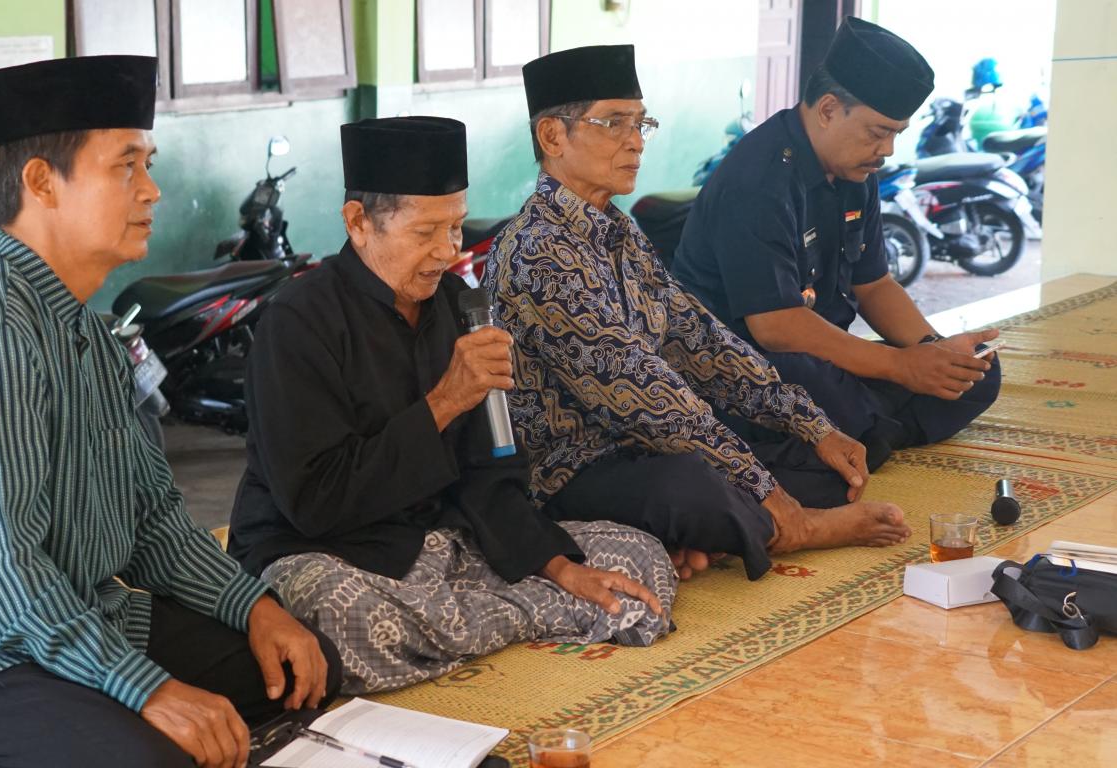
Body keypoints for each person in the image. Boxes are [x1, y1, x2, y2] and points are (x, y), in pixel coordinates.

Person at [0, 56, 338, 768]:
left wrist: (254, 607)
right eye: (126, 166)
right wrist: (147, 690)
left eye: (148, 165)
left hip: (75, 616)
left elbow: (153, 520)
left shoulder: (89, 335)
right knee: (151, 756)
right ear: (42, 182)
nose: (152, 190)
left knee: (300, 674)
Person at [228, 116, 676, 694]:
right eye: (425, 233)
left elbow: (490, 473)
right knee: (340, 615)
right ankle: (513, 619)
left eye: (457, 227)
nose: (447, 252)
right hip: (331, 553)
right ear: (358, 222)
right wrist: (443, 402)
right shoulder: (297, 322)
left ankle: (468, 628)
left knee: (638, 558)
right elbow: (316, 503)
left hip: (439, 543)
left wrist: (560, 567)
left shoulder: (458, 305)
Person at [484, 45, 910, 584]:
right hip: (572, 470)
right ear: (552, 137)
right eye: (614, 123)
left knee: (817, 460)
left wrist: (812, 425)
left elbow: (701, 340)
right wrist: (764, 489)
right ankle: (794, 528)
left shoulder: (619, 230)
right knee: (691, 487)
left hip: (644, 450)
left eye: (641, 123)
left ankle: (717, 533)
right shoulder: (537, 253)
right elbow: (643, 394)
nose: (636, 141)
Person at [671, 18, 1001, 458]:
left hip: (826, 356)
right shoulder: (758, 180)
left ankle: (869, 431)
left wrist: (935, 351)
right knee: (817, 386)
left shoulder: (856, 171)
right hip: (743, 366)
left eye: (896, 134)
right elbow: (776, 326)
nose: (887, 150)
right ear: (828, 110)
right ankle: (864, 428)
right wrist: (900, 366)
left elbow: (874, 284)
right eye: (878, 132)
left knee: (979, 372)